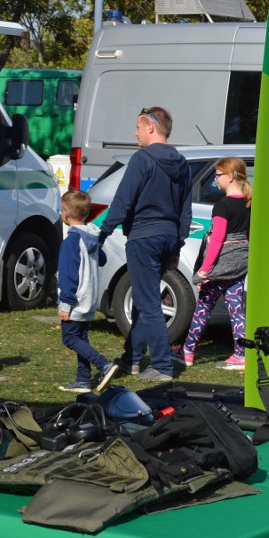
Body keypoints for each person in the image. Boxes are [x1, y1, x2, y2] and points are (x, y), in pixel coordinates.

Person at [99, 106, 192, 382]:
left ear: (151, 127)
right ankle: (132, 359)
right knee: (144, 298)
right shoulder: (183, 163)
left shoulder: (142, 160)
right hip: (167, 239)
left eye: (138, 127)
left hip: (143, 237)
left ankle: (163, 365)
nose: (135, 132)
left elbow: (123, 200)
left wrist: (103, 233)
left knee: (148, 300)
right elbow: (184, 209)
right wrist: (177, 243)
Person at [171, 157, 251, 371]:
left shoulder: (223, 205)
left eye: (218, 175)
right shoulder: (248, 204)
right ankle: (241, 354)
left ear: (231, 176)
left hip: (219, 268)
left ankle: (187, 351)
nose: (215, 180)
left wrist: (205, 270)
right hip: (239, 265)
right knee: (237, 309)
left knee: (203, 307)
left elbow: (217, 240)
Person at [57, 190, 118, 394]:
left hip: (75, 299)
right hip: (89, 297)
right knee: (81, 339)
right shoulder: (92, 236)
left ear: (65, 214)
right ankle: (83, 379)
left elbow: (68, 275)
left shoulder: (71, 242)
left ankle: (104, 364)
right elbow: (102, 259)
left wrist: (65, 303)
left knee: (70, 338)